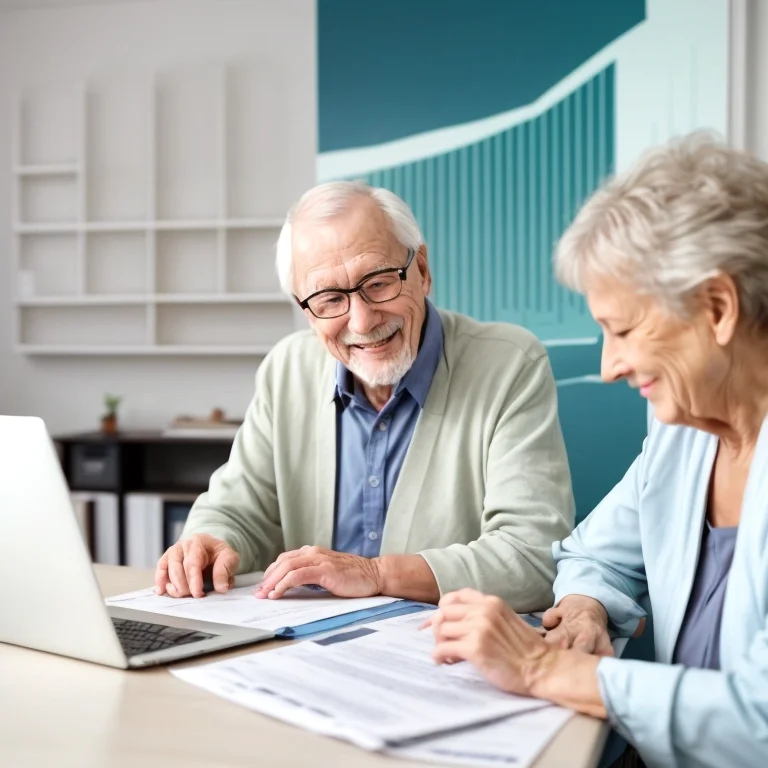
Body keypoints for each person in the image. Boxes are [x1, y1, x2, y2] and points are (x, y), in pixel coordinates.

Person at [427, 134, 768, 768]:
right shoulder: (684, 430)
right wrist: (586, 606)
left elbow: (760, 717)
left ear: (718, 307)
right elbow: (593, 555)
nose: (610, 365)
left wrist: (537, 667)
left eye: (623, 328)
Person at [154, 181, 574, 609]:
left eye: (378, 283)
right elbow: (238, 510)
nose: (361, 320)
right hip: (304, 654)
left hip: (439, 655)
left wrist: (375, 574)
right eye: (329, 298)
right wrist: (207, 542)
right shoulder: (286, 370)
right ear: (306, 309)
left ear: (422, 271)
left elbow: (533, 558)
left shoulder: (509, 365)